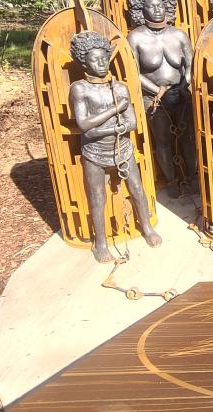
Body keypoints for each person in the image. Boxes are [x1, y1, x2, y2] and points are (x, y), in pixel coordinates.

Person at [68, 31, 163, 263]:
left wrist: (108, 127)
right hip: (94, 152)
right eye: (95, 60)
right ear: (84, 62)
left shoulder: (119, 88)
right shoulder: (79, 89)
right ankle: (100, 242)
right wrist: (113, 112)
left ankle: (147, 228)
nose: (101, 64)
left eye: (104, 58)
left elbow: (132, 122)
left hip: (123, 149)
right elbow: (83, 125)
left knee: (137, 190)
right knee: (97, 197)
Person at [125, 0, 196, 197]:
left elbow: (191, 64)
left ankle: (191, 177)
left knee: (188, 137)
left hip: (181, 94)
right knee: (163, 140)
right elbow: (133, 72)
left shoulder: (179, 35)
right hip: (153, 98)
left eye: (161, 5)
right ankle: (172, 179)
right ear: (142, 10)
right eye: (151, 6)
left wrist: (185, 84)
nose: (157, 9)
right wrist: (156, 90)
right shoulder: (135, 37)